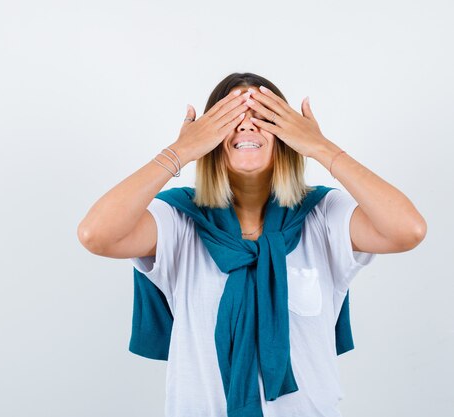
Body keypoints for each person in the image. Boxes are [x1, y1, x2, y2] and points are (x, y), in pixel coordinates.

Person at [77, 72, 427, 417]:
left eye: (262, 117)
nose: (246, 126)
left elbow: (407, 230)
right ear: (210, 138)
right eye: (231, 118)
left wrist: (321, 147)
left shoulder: (323, 214)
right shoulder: (177, 219)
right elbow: (97, 234)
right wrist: (180, 152)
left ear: (286, 136)